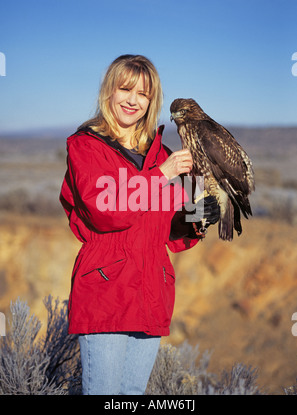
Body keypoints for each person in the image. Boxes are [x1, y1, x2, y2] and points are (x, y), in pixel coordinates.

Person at [60, 54, 220, 395]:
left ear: (152, 101)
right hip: (107, 291)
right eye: (125, 89)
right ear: (109, 92)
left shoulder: (161, 154)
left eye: (143, 94)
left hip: (152, 293)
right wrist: (161, 175)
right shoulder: (86, 147)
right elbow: (106, 210)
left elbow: (172, 231)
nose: (133, 100)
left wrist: (198, 216)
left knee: (132, 396)